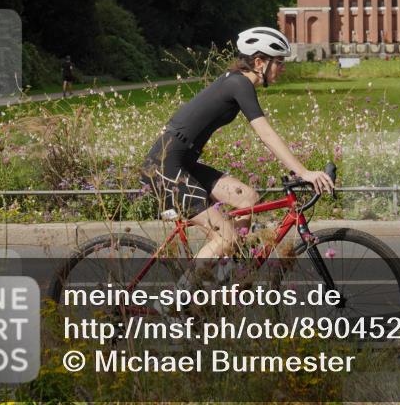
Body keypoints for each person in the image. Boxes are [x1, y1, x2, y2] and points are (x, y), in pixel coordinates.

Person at [141, 26, 334, 267]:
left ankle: (228, 277)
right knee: (226, 237)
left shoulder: (235, 82)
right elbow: (265, 133)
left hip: (181, 163)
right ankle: (174, 302)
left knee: (248, 199)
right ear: (259, 62)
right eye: (280, 62)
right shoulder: (239, 84)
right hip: (164, 167)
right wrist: (303, 172)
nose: (283, 68)